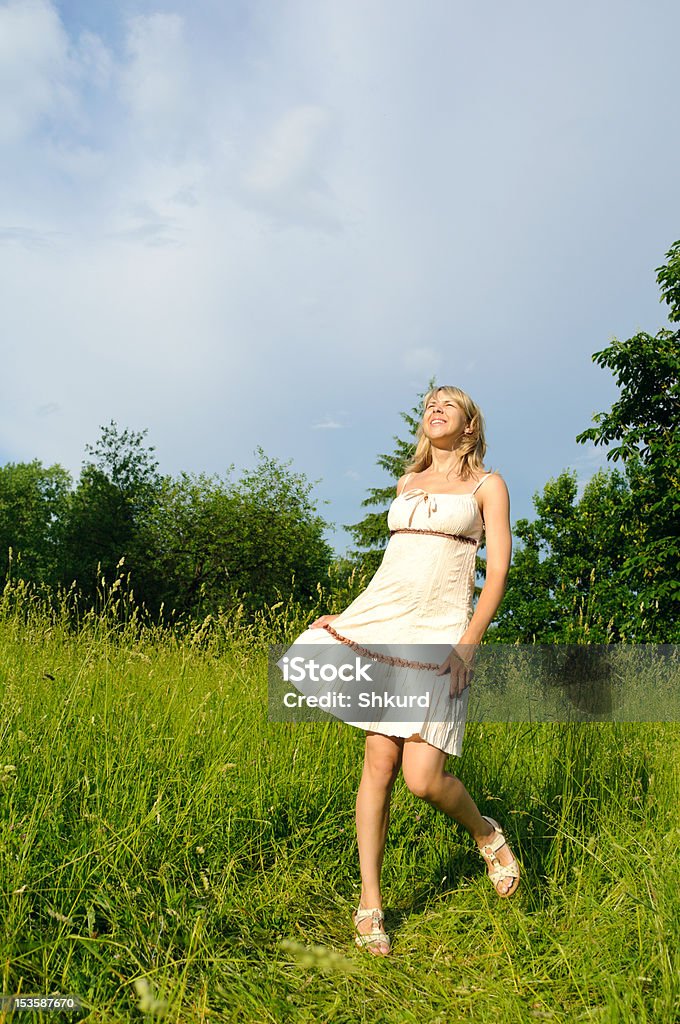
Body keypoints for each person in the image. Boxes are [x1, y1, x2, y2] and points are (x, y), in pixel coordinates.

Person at [279, 385, 520, 956]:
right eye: (430, 404)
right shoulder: (406, 485)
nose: (434, 409)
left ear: (469, 426)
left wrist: (468, 644)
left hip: (441, 637)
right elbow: (396, 565)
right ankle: (370, 905)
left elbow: (498, 572)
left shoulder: (488, 486)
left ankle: (486, 834)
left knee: (423, 779)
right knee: (379, 764)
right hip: (385, 626)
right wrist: (355, 615)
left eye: (448, 405)